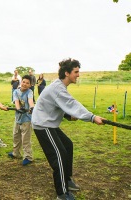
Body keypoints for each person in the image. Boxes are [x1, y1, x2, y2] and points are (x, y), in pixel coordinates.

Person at [31, 58, 105, 200]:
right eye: (76, 72)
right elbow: (71, 103)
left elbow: (56, 105)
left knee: (67, 145)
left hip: (49, 123)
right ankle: (62, 193)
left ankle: (67, 179)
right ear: (66, 73)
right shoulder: (58, 88)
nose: (78, 75)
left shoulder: (59, 87)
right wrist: (92, 117)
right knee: (58, 156)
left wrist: (68, 116)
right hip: (43, 125)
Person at [8, 75, 34, 166]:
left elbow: (30, 101)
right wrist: (18, 109)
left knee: (25, 139)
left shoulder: (29, 92)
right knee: (16, 136)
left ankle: (28, 157)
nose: (25, 84)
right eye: (24, 82)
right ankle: (16, 153)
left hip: (26, 119)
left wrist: (31, 107)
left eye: (27, 83)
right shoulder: (15, 91)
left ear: (30, 85)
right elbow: (16, 102)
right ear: (20, 82)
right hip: (18, 117)